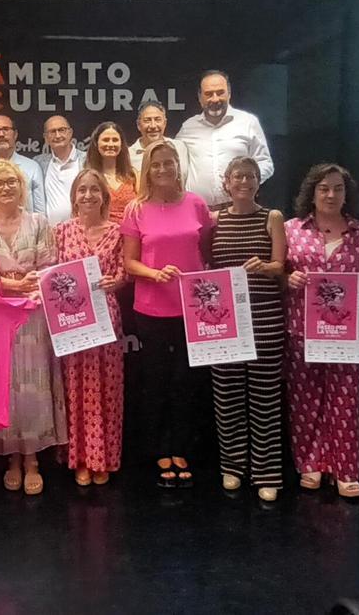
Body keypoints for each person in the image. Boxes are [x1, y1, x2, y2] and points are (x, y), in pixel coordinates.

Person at [121, 141, 214, 488]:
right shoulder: (136, 209)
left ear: (178, 165)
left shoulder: (196, 204)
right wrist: (153, 274)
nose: (162, 169)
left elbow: (204, 252)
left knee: (187, 382)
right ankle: (158, 448)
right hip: (152, 308)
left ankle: (182, 446)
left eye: (168, 163)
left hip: (192, 310)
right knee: (156, 381)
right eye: (155, 164)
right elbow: (129, 263)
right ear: (147, 169)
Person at [0, 160, 67, 495]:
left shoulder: (39, 222)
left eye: (12, 181)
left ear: (22, 185)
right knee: (5, 387)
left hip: (33, 314)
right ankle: (11, 456)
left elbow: (49, 267)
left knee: (33, 387)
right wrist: (10, 286)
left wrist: (29, 284)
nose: (7, 187)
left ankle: (32, 459)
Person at [284, 164, 359, 499]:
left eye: (337, 188)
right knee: (304, 400)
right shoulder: (293, 229)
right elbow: (280, 271)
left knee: (345, 400)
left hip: (346, 334)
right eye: (324, 188)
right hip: (302, 328)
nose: (331, 195)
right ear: (312, 191)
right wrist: (288, 279)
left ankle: (345, 468)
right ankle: (310, 464)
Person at [208, 157, 287, 501]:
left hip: (265, 317)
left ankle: (266, 471)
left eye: (251, 176)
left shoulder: (272, 217)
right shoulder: (213, 220)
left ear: (259, 181)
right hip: (223, 321)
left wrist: (266, 267)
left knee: (265, 396)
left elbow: (280, 267)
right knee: (226, 396)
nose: (244, 181)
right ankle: (232, 466)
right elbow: (206, 267)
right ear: (226, 182)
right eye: (237, 176)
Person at [54, 169, 126, 486]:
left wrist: (118, 280)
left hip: (106, 319)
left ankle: (104, 458)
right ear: (73, 197)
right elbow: (51, 274)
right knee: (75, 389)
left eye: (94, 190)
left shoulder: (119, 232)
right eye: (81, 190)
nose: (88, 195)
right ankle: (80, 458)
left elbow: (125, 272)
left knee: (107, 390)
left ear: (104, 196)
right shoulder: (61, 232)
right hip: (72, 322)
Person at [175, 70, 274, 208]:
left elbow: (265, 163)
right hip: (198, 210)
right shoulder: (188, 127)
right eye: (208, 94)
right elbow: (174, 164)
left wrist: (245, 183)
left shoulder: (248, 122)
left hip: (240, 208)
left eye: (220, 92)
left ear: (229, 94)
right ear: (199, 97)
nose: (215, 99)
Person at [0, 115, 45, 216]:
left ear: (15, 134)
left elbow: (40, 212)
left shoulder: (32, 167)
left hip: (24, 230)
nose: (1, 134)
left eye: (6, 129)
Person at [37, 115, 86, 226]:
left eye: (62, 130)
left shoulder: (88, 160)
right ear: (45, 137)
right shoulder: (39, 163)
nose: (58, 135)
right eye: (52, 132)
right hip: (50, 235)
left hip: (82, 232)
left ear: (70, 133)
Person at [85, 121, 138, 224]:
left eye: (115, 140)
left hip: (131, 236)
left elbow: (142, 208)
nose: (110, 144)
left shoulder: (133, 175)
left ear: (121, 144)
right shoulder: (89, 177)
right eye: (105, 140)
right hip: (102, 236)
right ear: (96, 143)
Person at [127, 101, 189, 180]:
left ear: (165, 123)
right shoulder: (129, 156)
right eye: (147, 120)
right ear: (139, 125)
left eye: (157, 119)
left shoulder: (179, 147)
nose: (153, 125)